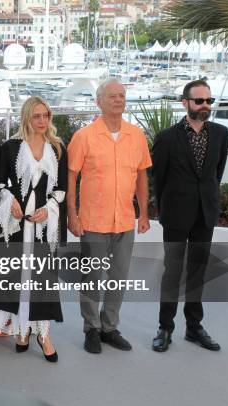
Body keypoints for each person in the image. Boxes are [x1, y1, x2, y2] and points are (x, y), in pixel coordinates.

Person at [67, 78, 151, 354]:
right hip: (93, 220)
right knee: (91, 277)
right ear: (99, 101)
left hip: (125, 219)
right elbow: (72, 177)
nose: (118, 100)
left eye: (122, 95)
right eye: (112, 96)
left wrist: (144, 213)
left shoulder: (136, 135)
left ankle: (110, 327)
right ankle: (91, 328)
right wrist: (73, 215)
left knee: (119, 277)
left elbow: (141, 176)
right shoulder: (84, 137)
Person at [0, 97, 66, 362]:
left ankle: (43, 334)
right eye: (37, 117)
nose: (42, 121)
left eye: (46, 116)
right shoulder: (10, 147)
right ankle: (22, 329)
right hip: (18, 223)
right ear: (26, 118)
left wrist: (50, 207)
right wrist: (10, 201)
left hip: (43, 224)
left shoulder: (57, 147)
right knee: (19, 276)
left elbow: (61, 189)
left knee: (42, 278)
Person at [151, 79, 228, 352]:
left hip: (205, 214)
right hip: (175, 215)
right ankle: (165, 327)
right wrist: (166, 208)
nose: (205, 105)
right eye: (199, 101)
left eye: (209, 101)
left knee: (198, 272)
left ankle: (194, 328)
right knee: (172, 272)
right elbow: (158, 180)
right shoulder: (166, 138)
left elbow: (215, 175)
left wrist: (205, 200)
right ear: (185, 103)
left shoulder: (221, 134)